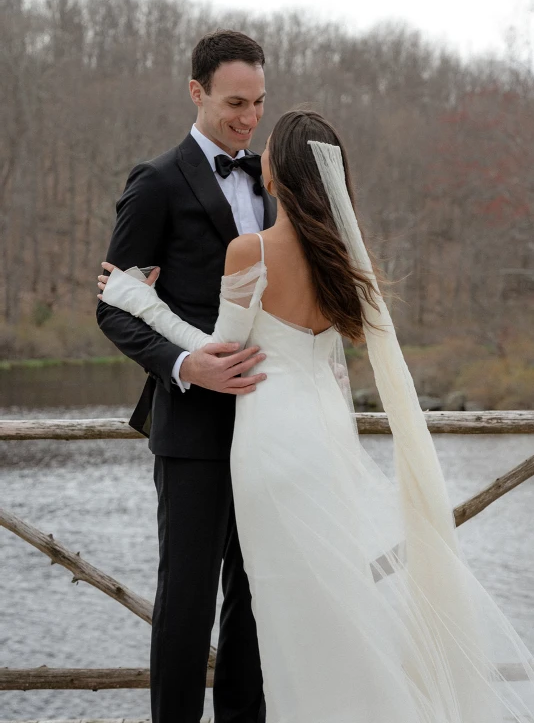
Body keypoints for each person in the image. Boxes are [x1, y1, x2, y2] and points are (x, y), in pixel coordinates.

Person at [99, 109, 534, 723]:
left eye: (269, 147)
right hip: (326, 439)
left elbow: (222, 351)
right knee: (325, 598)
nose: (259, 147)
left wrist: (139, 297)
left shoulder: (251, 249)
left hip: (269, 440)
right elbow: (330, 361)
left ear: (282, 171)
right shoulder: (342, 259)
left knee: (278, 605)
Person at [96, 30, 276, 723]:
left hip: (267, 421)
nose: (248, 117)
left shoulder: (273, 180)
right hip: (191, 425)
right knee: (188, 602)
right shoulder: (158, 181)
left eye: (258, 102)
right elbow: (114, 306)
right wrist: (183, 363)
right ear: (196, 91)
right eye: (235, 102)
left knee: (256, 596)